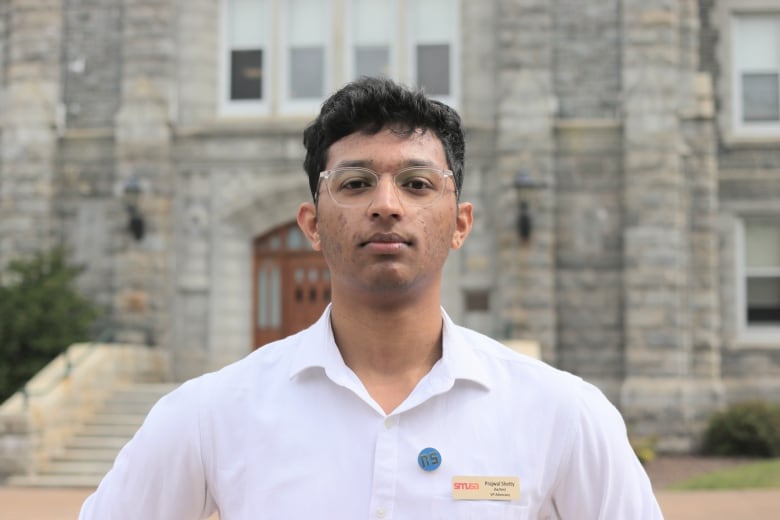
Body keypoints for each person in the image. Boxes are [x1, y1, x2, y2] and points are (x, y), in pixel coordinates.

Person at [80, 77, 663, 519]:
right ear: (311, 223)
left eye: (416, 184)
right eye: (356, 183)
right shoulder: (209, 414)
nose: (387, 204)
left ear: (460, 223)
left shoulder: (564, 412)